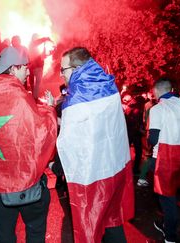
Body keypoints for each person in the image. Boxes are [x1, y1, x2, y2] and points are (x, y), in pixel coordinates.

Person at [0, 46, 57, 242]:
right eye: (24, 67)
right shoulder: (18, 95)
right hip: (24, 180)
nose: (28, 71)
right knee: (35, 230)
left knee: (5, 233)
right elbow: (39, 134)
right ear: (12, 69)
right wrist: (50, 109)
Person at [57, 47, 134, 243]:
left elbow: (69, 143)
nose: (61, 74)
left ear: (75, 69)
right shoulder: (108, 85)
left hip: (92, 177)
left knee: (92, 224)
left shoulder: (76, 98)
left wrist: (55, 167)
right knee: (112, 220)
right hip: (114, 167)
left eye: (63, 69)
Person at [148, 78, 180, 243]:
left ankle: (170, 235)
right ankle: (166, 223)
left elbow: (153, 138)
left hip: (165, 158)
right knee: (173, 195)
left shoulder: (158, 109)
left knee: (166, 197)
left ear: (156, 91)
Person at [28, 34, 51, 99]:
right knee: (34, 84)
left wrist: (48, 54)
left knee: (36, 84)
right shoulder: (32, 44)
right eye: (36, 38)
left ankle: (34, 97)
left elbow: (41, 57)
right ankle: (34, 98)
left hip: (38, 66)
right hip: (35, 67)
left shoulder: (36, 47)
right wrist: (45, 38)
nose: (37, 39)